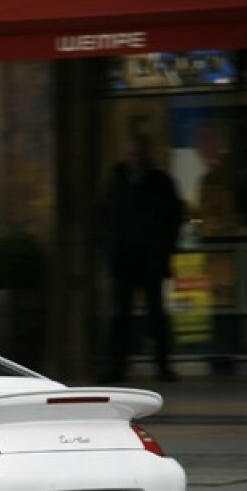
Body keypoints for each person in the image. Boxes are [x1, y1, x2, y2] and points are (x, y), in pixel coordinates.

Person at [99, 134, 184, 383]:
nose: (134, 159)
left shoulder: (159, 182)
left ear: (146, 154)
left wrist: (165, 250)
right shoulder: (116, 182)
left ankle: (162, 364)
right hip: (124, 259)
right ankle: (116, 365)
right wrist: (109, 250)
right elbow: (105, 218)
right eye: (130, 154)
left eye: (137, 154)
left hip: (150, 258)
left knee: (156, 313)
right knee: (120, 315)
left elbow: (172, 218)